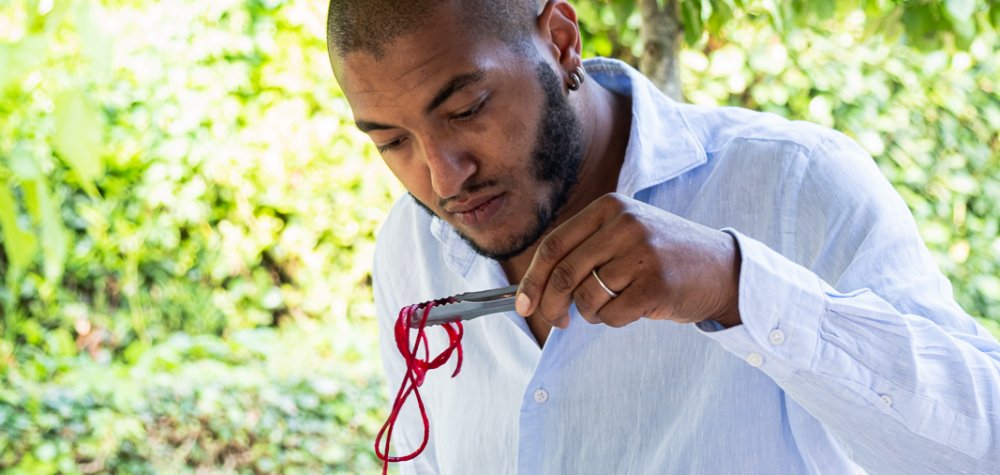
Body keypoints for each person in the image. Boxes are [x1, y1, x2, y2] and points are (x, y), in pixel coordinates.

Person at [326, 0, 1000, 473]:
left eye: (468, 108)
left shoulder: (798, 182)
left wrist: (740, 288)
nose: (444, 176)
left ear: (561, 41)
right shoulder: (410, 244)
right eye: (391, 140)